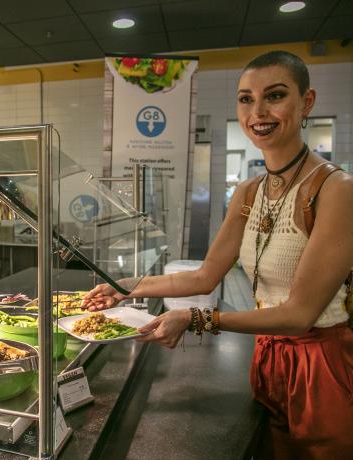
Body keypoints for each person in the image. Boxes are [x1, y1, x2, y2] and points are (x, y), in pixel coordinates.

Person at [82, 51, 353, 459]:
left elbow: (299, 314)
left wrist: (194, 318)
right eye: (245, 99)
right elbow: (205, 275)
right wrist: (123, 288)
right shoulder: (250, 191)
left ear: (307, 102)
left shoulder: (336, 190)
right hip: (268, 356)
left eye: (275, 96)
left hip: (322, 365)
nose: (257, 112)